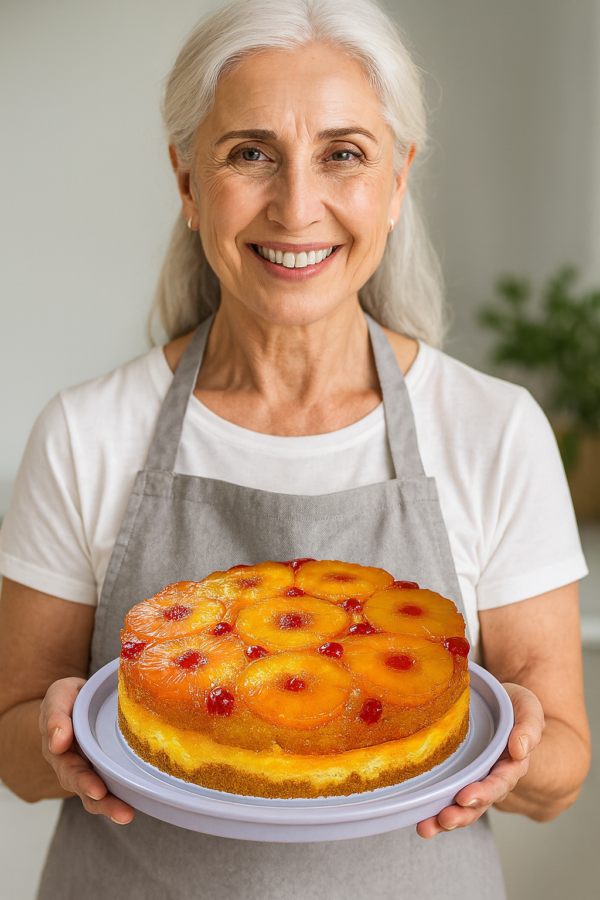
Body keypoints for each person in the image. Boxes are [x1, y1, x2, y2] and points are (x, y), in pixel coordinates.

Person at [0, 0, 591, 898]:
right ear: (189, 182)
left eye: (343, 154)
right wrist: (50, 736)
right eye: (250, 154)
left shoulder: (494, 431)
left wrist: (522, 750)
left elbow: (562, 774)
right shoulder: (84, 433)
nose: (297, 205)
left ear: (397, 182)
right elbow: (14, 748)